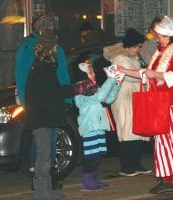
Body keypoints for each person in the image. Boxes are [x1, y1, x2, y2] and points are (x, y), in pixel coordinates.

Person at [116, 16, 173, 194]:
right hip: (163, 105)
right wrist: (123, 71)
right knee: (163, 143)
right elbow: (149, 74)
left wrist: (153, 74)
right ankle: (166, 180)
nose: (156, 38)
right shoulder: (160, 52)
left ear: (170, 35)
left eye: (160, 35)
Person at [14, 14, 70, 190]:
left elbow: (20, 77)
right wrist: (67, 99)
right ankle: (46, 184)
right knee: (49, 142)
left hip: (32, 103)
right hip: (50, 103)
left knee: (38, 143)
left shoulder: (24, 47)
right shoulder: (52, 47)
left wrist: (24, 101)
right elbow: (62, 76)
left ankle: (39, 181)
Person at [103, 28, 152, 177]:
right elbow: (131, 77)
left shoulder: (132, 58)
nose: (139, 49)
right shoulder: (119, 59)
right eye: (138, 46)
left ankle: (136, 164)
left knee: (136, 132)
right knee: (127, 133)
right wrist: (144, 74)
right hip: (123, 98)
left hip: (133, 98)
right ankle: (127, 166)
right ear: (131, 46)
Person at [74, 60, 121, 191]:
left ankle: (92, 179)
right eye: (90, 72)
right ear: (83, 76)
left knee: (97, 154)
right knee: (91, 155)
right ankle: (86, 181)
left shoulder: (92, 87)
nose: (94, 74)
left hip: (98, 125)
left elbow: (108, 99)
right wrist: (111, 79)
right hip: (90, 127)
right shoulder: (82, 89)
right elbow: (100, 97)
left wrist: (116, 83)